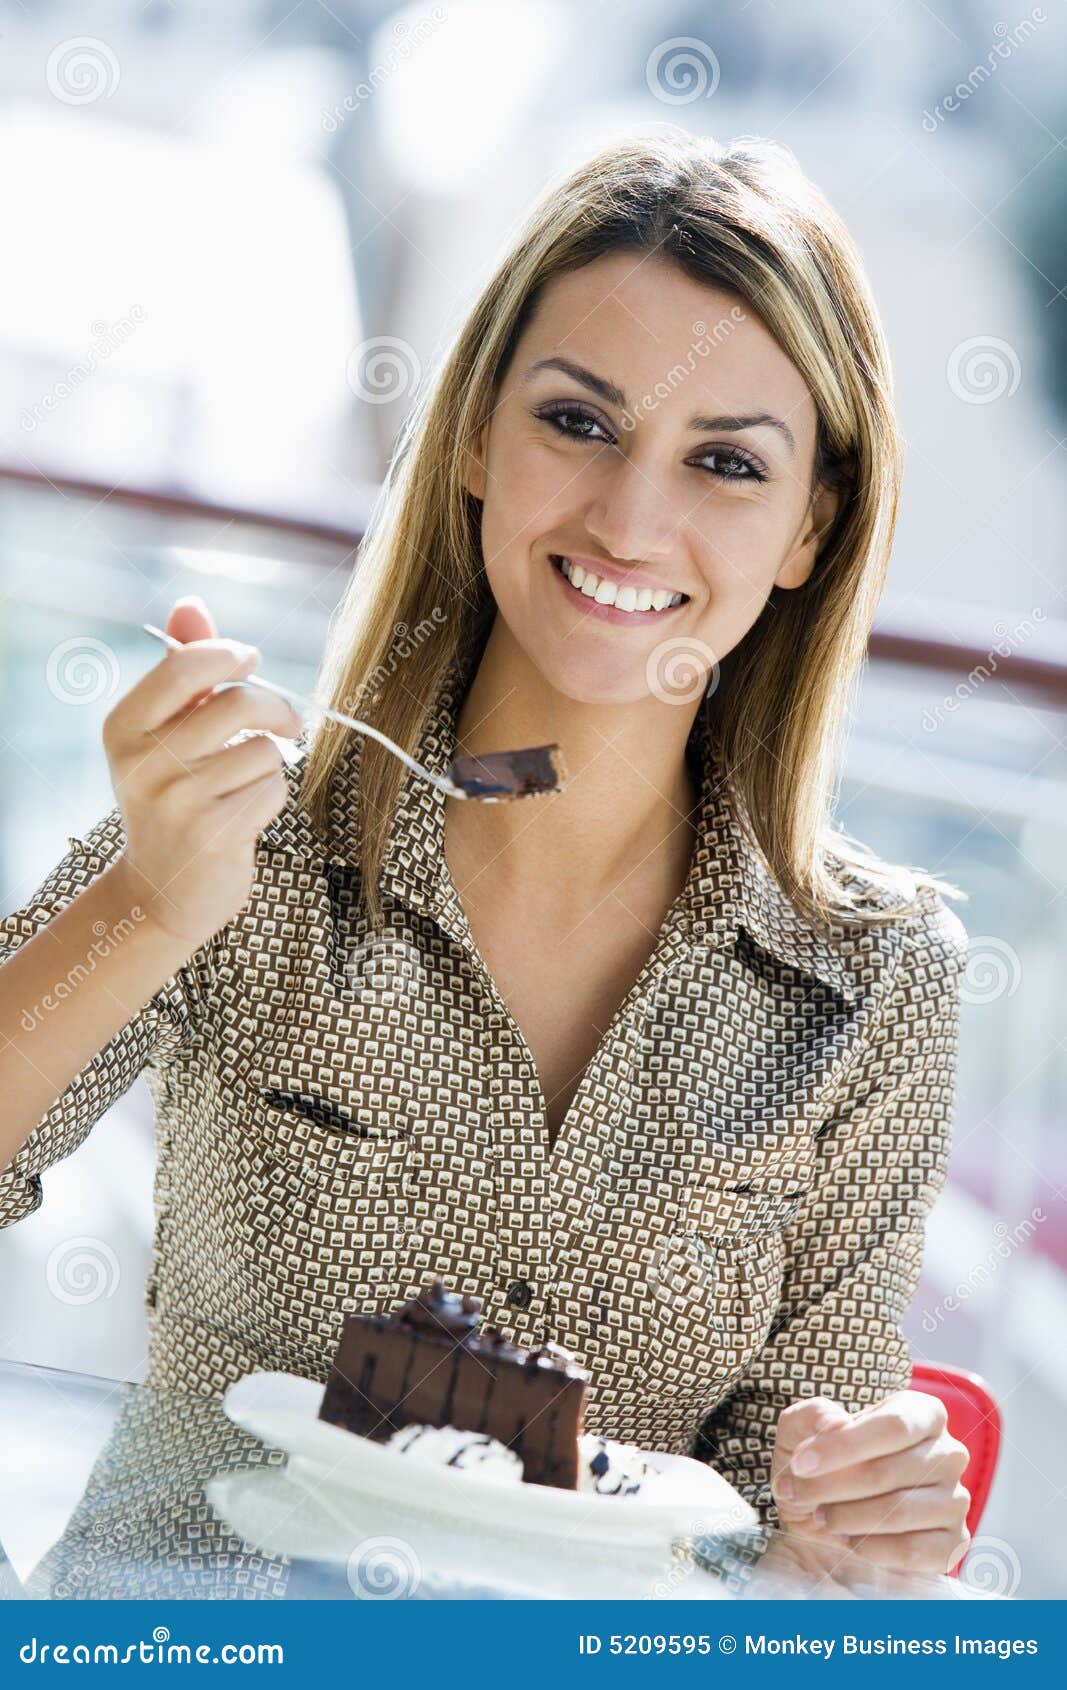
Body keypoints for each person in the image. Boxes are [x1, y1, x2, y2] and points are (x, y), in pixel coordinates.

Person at [0, 130, 972, 1575]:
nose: (632, 521)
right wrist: (144, 905)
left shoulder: (877, 984)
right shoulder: (238, 832)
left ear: (808, 528)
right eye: (578, 423)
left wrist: (853, 1533)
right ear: (473, 435)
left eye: (723, 462)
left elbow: (787, 1523)